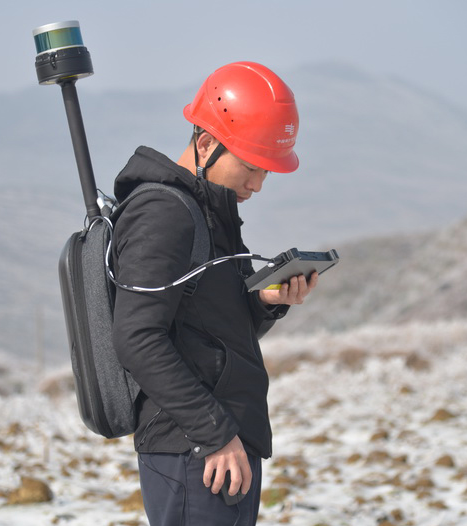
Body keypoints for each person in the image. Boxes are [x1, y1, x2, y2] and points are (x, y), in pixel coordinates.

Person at [111, 61, 317, 526]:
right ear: (206, 143)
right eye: (251, 166)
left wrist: (264, 303)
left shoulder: (208, 211)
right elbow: (137, 337)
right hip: (197, 452)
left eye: (267, 171)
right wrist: (214, 434)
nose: (257, 185)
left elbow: (212, 334)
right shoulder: (165, 214)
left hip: (218, 446)